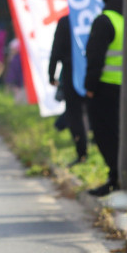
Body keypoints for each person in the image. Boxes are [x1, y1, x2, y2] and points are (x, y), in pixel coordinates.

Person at [84, 0, 124, 196]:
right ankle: (120, 176)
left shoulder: (104, 20)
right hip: (124, 89)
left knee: (104, 134)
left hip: (104, 88)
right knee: (120, 134)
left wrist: (89, 86)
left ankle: (115, 177)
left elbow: (95, 56)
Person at [48, 14, 88, 165]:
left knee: (75, 115)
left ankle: (82, 154)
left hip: (71, 74)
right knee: (93, 113)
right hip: (94, 73)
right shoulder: (92, 16)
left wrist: (51, 74)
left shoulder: (66, 21)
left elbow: (56, 49)